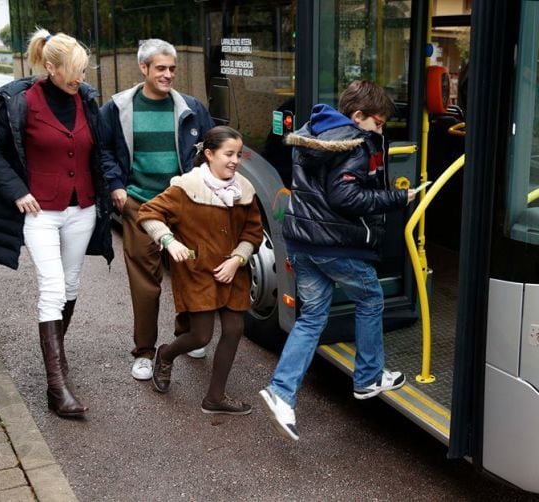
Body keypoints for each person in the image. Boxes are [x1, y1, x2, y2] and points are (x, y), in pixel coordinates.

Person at [259, 80, 416, 440]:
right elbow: (345, 197)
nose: (381, 129)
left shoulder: (314, 132)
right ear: (358, 116)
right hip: (336, 245)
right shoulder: (355, 144)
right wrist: (397, 198)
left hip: (303, 241)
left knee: (312, 317)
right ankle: (368, 377)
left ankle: (281, 392)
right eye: (378, 122)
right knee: (371, 298)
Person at [0, 29, 113, 418]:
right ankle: (57, 388)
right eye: (73, 72)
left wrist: (112, 190)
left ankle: (57, 361)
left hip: (82, 210)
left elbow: (98, 149)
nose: (80, 79)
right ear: (50, 67)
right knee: (52, 289)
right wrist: (17, 190)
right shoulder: (20, 103)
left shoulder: (86, 101)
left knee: (71, 285)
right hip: (39, 213)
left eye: (84, 71)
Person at [100, 39, 214, 381]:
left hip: (182, 202)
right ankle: (145, 352)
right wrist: (116, 186)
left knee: (189, 271)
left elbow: (209, 149)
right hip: (139, 203)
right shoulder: (117, 108)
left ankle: (186, 335)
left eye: (172, 69)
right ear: (144, 68)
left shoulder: (191, 107)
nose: (168, 75)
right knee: (145, 282)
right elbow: (104, 150)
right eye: (160, 68)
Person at [136, 126, 262, 414]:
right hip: (198, 272)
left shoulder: (244, 189)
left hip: (233, 271)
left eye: (238, 155)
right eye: (228, 154)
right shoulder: (186, 188)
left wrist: (237, 260)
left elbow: (253, 232)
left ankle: (214, 398)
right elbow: (148, 213)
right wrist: (168, 240)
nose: (235, 160)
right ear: (209, 154)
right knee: (201, 336)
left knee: (234, 329)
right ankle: (165, 354)